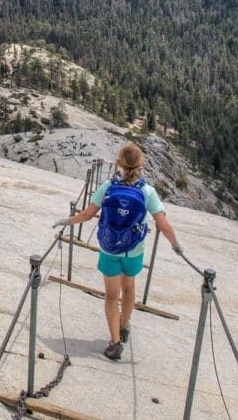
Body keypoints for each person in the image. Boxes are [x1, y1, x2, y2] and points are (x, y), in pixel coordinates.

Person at [54, 142, 182, 360]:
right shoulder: (147, 191)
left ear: (119, 164)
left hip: (110, 248)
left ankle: (114, 343)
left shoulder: (107, 187)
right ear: (141, 165)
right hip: (134, 250)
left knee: (112, 296)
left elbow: (86, 214)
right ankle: (124, 325)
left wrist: (66, 221)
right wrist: (176, 245)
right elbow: (163, 223)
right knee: (129, 288)